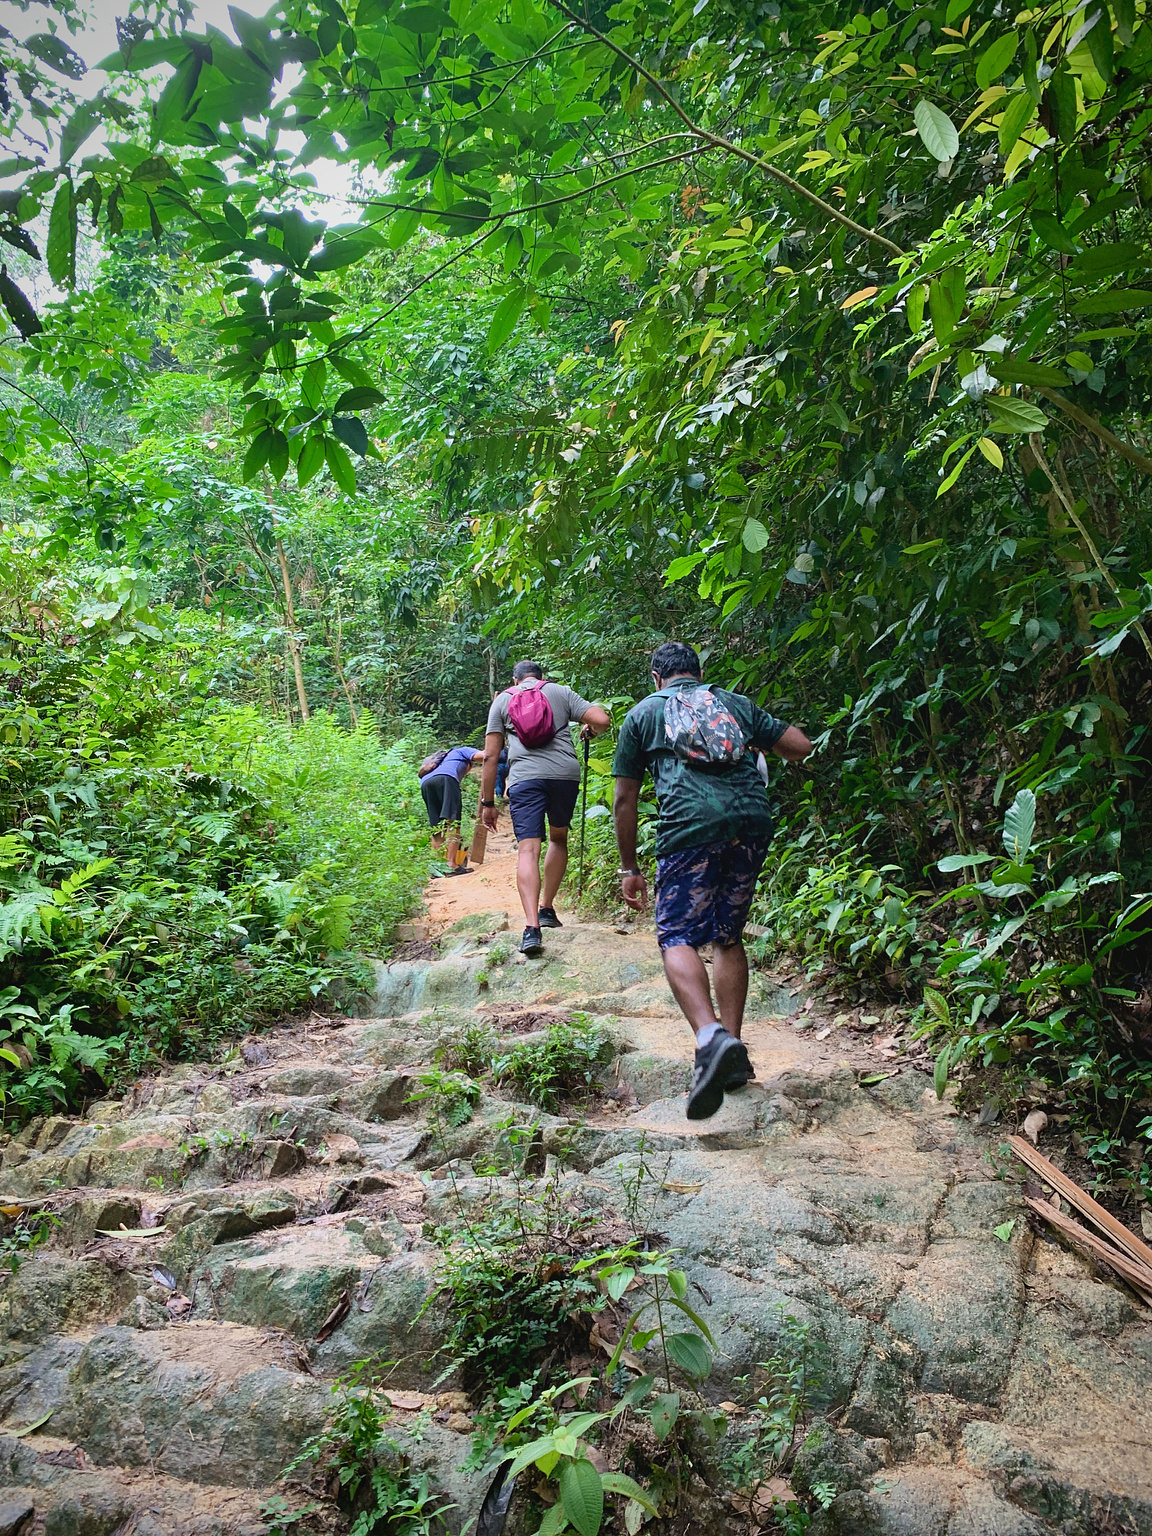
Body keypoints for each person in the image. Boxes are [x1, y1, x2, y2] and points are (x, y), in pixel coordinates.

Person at [612, 641, 813, 1120]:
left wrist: (630, 867)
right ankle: (735, 1056)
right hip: (751, 821)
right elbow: (801, 747)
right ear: (698, 673)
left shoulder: (643, 714)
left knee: (677, 935)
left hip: (689, 828)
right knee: (728, 935)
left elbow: (624, 799)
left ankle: (709, 1038)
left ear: (656, 677)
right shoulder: (732, 702)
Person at [481, 661, 610, 955]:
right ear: (542, 678)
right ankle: (548, 909)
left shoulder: (504, 698)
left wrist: (488, 802)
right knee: (558, 837)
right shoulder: (560, 692)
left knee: (528, 849)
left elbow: (490, 757)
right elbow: (602, 720)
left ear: (515, 679)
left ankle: (531, 928)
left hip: (525, 778)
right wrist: (590, 730)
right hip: (564, 775)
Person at [420, 745, 484, 873]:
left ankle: (437, 868)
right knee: (453, 822)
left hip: (426, 783)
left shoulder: (439, 760)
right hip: (446, 779)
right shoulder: (462, 751)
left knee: (437, 827)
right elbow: (484, 755)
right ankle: (451, 865)